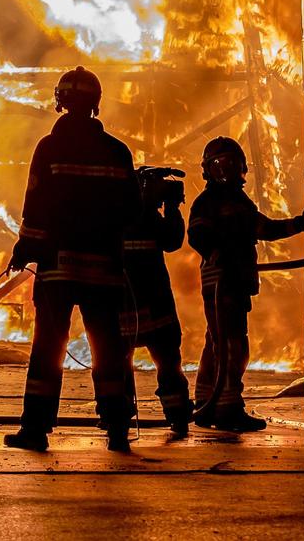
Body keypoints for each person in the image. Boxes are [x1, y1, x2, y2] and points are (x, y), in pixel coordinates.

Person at [4, 67, 137, 452]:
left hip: (59, 269)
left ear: (60, 100)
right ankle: (117, 429)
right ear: (96, 103)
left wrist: (24, 249)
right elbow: (132, 210)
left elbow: (37, 206)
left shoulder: (50, 147)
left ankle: (36, 429)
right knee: (108, 349)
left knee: (49, 347)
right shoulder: (117, 151)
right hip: (106, 271)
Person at [189, 136, 303, 432]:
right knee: (233, 345)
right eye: (219, 165)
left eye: (230, 163)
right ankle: (227, 406)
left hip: (233, 281)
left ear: (240, 166)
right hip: (221, 281)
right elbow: (196, 235)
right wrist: (215, 251)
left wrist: (299, 223)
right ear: (208, 170)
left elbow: (264, 228)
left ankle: (205, 400)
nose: (225, 170)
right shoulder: (207, 202)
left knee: (217, 341)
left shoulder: (238, 202)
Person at [122, 166, 191, 437]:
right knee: (166, 361)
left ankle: (118, 416)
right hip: (153, 301)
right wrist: (172, 208)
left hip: (129, 303)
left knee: (121, 362)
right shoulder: (140, 216)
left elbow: (172, 241)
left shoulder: (122, 214)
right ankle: (177, 415)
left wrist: (168, 207)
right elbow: (172, 240)